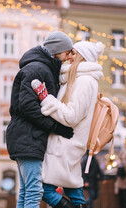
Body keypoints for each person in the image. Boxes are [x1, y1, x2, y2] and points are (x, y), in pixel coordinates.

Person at [6, 31, 75, 208]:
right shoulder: (38, 69)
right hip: (28, 135)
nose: (68, 57)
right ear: (57, 51)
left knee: (26, 190)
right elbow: (27, 105)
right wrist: (55, 126)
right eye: (67, 52)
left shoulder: (40, 68)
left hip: (26, 135)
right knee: (34, 190)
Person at [32, 41, 104, 208]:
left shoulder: (85, 81)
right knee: (73, 189)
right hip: (67, 142)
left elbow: (72, 116)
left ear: (82, 57)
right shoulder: (75, 79)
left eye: (73, 53)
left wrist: (46, 99)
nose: (68, 56)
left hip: (65, 144)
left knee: (43, 189)